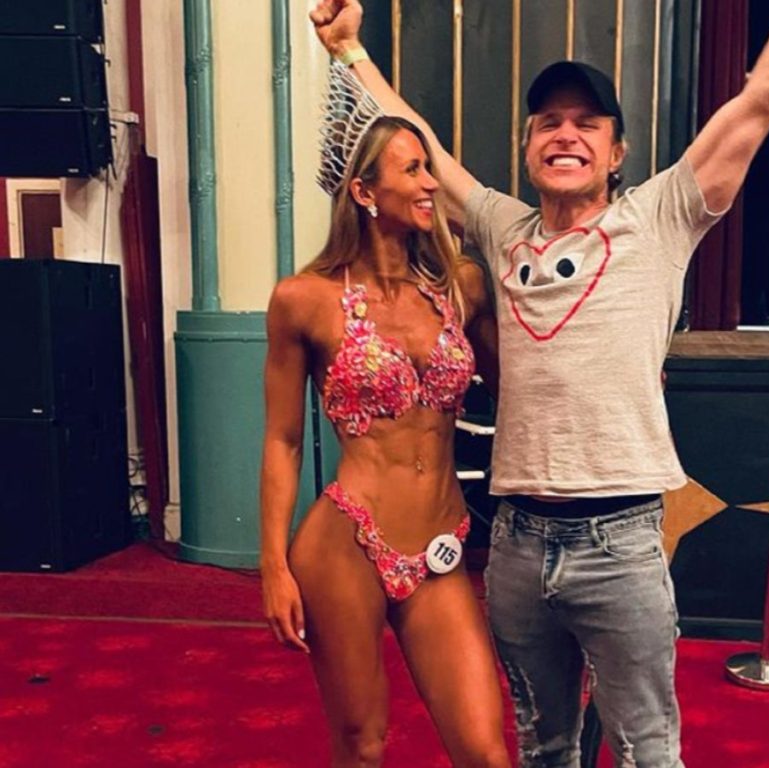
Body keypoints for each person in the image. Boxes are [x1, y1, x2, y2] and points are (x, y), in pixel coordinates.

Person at [310, 1, 769, 765]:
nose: (566, 134)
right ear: (528, 146)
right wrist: (350, 50)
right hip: (518, 545)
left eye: (588, 124)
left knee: (647, 750)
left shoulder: (660, 217)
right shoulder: (502, 228)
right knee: (544, 746)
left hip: (618, 544)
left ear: (617, 151)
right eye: (549, 123)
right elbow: (421, 141)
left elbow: (762, 97)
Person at [259, 59, 508, 768]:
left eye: (429, 169)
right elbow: (282, 439)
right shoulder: (304, 300)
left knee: (484, 751)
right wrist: (272, 565)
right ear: (365, 191)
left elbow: (522, 390)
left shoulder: (461, 288)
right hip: (347, 542)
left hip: (440, 545)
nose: (430, 184)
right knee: (362, 745)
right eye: (412, 170)